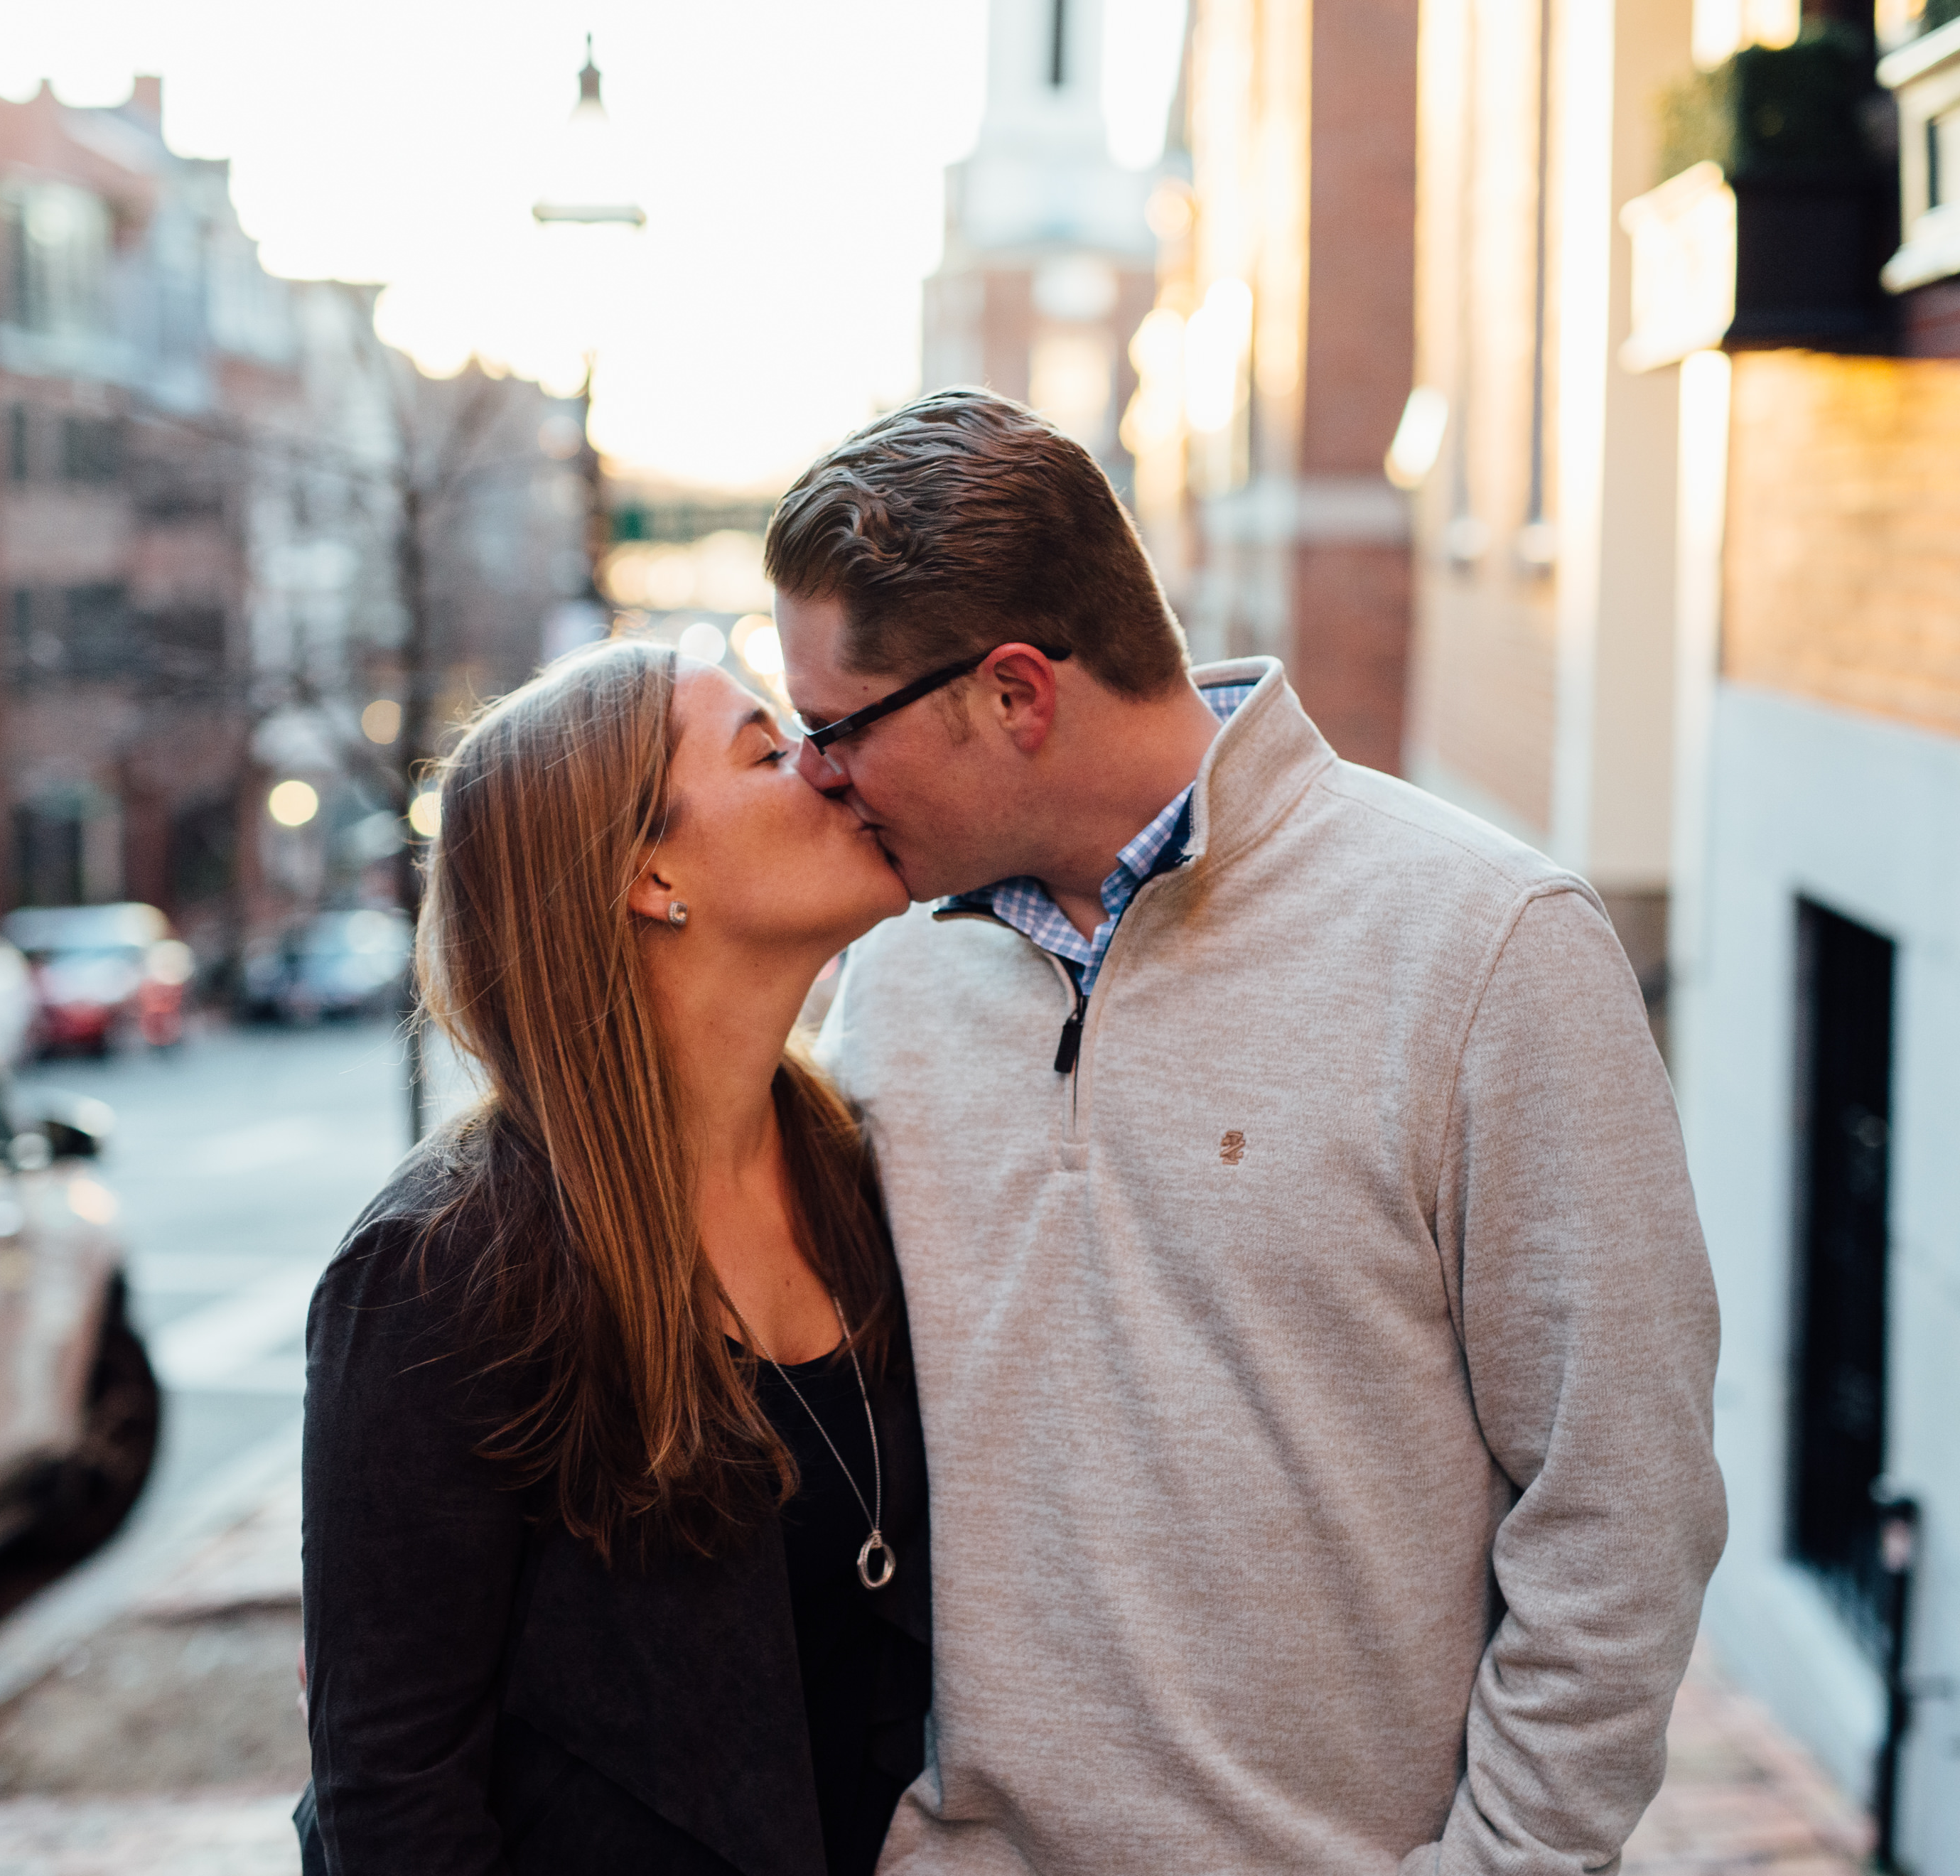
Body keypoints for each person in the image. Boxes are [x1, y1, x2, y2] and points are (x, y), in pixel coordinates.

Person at [770, 387, 1728, 1875]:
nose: (817, 776)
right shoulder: (892, 981)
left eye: (839, 729)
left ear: (1015, 693)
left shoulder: (1488, 948)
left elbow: (1624, 1503)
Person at [297, 640, 930, 1876]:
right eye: (769, 749)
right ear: (651, 874)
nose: (831, 764)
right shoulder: (443, 1270)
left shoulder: (862, 1170)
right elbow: (391, 1796)